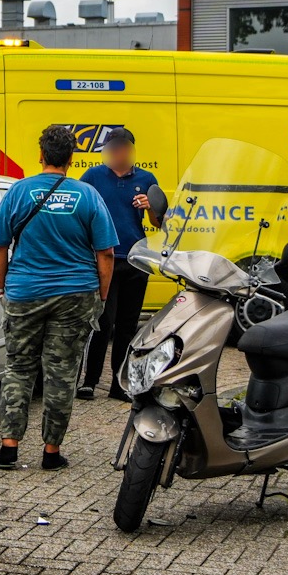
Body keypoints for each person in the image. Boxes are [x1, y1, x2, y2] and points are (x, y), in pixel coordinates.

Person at [0, 125, 117, 471]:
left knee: (19, 368)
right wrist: (100, 296)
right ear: (71, 159)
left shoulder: (18, 192)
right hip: (75, 295)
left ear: (41, 155)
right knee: (61, 373)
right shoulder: (88, 196)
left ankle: (9, 448)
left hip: (25, 292)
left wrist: (2, 287)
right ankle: (51, 452)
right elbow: (106, 253)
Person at [77, 126, 164, 401]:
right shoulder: (93, 176)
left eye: (124, 147)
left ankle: (119, 383)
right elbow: (79, 209)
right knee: (104, 321)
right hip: (105, 259)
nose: (119, 152)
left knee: (127, 325)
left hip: (136, 260)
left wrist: (149, 206)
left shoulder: (146, 178)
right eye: (114, 147)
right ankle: (89, 382)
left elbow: (159, 223)